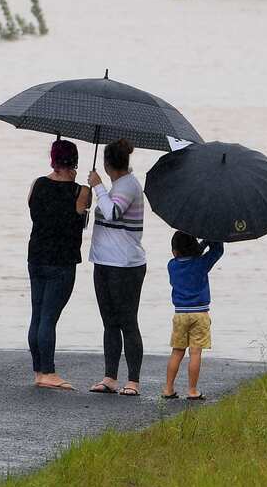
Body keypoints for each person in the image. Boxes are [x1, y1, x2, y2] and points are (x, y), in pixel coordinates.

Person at [27, 139, 90, 390]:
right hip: (62, 260)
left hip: (36, 256)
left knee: (37, 315)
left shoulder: (37, 184)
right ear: (74, 161)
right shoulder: (81, 191)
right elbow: (82, 219)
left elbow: (34, 210)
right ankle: (49, 372)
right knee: (49, 318)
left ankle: (38, 370)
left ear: (53, 159)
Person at [87, 138, 147, 396]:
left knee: (127, 322)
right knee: (109, 322)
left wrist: (98, 186)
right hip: (102, 262)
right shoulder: (114, 187)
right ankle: (110, 377)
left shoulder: (128, 186)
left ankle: (133, 380)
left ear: (107, 164)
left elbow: (113, 213)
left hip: (125, 265)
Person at [162, 232, 224, 401]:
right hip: (200, 314)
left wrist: (200, 245)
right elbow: (217, 251)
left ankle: (168, 388)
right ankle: (192, 390)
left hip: (180, 314)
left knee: (177, 352)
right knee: (195, 353)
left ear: (174, 251)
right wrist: (210, 236)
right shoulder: (201, 264)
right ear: (195, 248)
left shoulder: (172, 265)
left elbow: (190, 255)